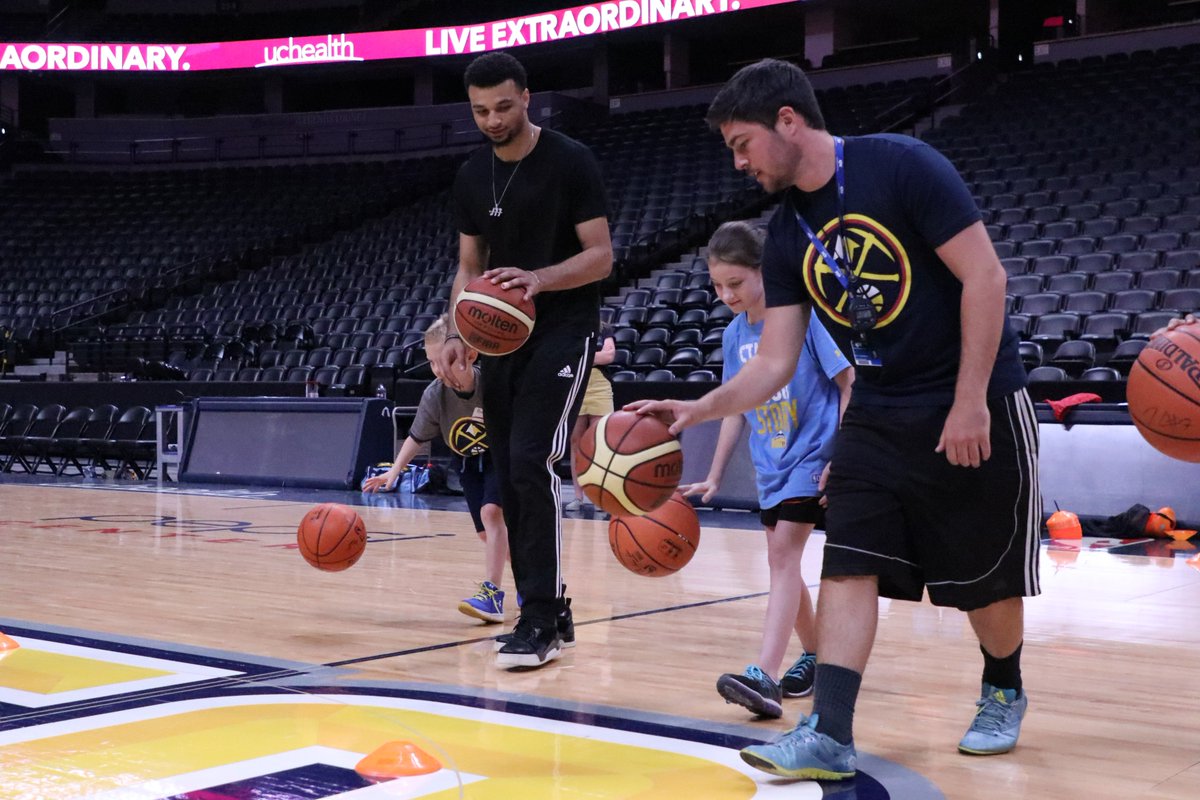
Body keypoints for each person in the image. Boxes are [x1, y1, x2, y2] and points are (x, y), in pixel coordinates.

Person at [629, 58, 1040, 780]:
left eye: (742, 142)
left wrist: (971, 398)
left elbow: (986, 276)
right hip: (878, 411)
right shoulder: (786, 234)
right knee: (848, 563)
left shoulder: (903, 167)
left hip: (969, 397)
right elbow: (774, 362)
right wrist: (696, 409)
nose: (739, 161)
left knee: (984, 581)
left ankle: (1002, 684)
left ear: (788, 121)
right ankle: (830, 733)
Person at [434, 51, 612, 669]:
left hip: (565, 329)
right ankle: (541, 612)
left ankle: (542, 614)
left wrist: (539, 278)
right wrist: (458, 328)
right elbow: (468, 266)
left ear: (527, 97)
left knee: (531, 459)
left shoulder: (570, 160)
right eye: (481, 110)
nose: (492, 119)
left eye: (504, 106)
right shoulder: (469, 175)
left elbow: (601, 256)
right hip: (499, 341)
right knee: (507, 473)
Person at [682, 221, 853, 720]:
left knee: (782, 558)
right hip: (770, 464)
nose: (725, 294)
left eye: (735, 283)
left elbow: (848, 382)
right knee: (785, 567)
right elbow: (735, 408)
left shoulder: (803, 316)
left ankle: (765, 674)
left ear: (763, 272)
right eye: (717, 285)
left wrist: (839, 453)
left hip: (811, 454)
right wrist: (714, 475)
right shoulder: (735, 333)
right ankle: (820, 657)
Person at [363, 316, 510, 624]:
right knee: (488, 535)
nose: (437, 369)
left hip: (502, 456)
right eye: (431, 363)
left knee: (491, 515)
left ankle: (493, 594)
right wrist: (394, 472)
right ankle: (535, 580)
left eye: (443, 360)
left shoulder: (491, 383)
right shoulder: (434, 394)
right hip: (469, 464)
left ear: (468, 354)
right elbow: (416, 437)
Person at [566, 329, 616, 512]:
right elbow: (565, 357)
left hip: (600, 387)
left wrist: (582, 357)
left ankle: (600, 495)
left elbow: (609, 355)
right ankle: (578, 496)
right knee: (575, 443)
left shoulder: (604, 329)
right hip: (576, 385)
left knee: (600, 442)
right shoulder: (570, 328)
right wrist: (595, 357)